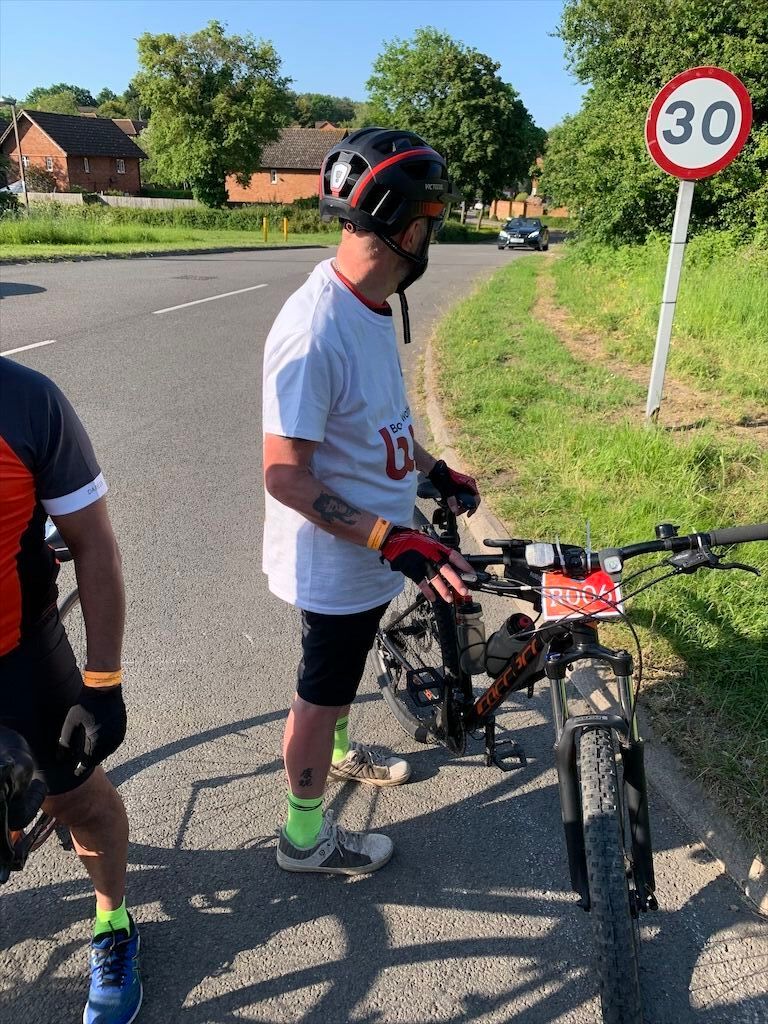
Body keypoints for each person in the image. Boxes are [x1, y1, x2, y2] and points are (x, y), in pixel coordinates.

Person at [262, 127, 481, 875]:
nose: (431, 240)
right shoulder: (314, 331)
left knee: (348, 668)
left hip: (374, 546)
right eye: (432, 224)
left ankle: (341, 756)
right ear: (408, 230)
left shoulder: (369, 304)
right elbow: (285, 476)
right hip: (338, 557)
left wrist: (434, 471)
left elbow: (382, 422)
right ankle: (303, 837)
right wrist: (392, 538)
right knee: (319, 693)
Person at [0, 358, 141, 1024]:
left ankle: (113, 923)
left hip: (20, 655)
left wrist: (102, 682)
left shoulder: (27, 402)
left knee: (78, 800)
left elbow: (94, 544)